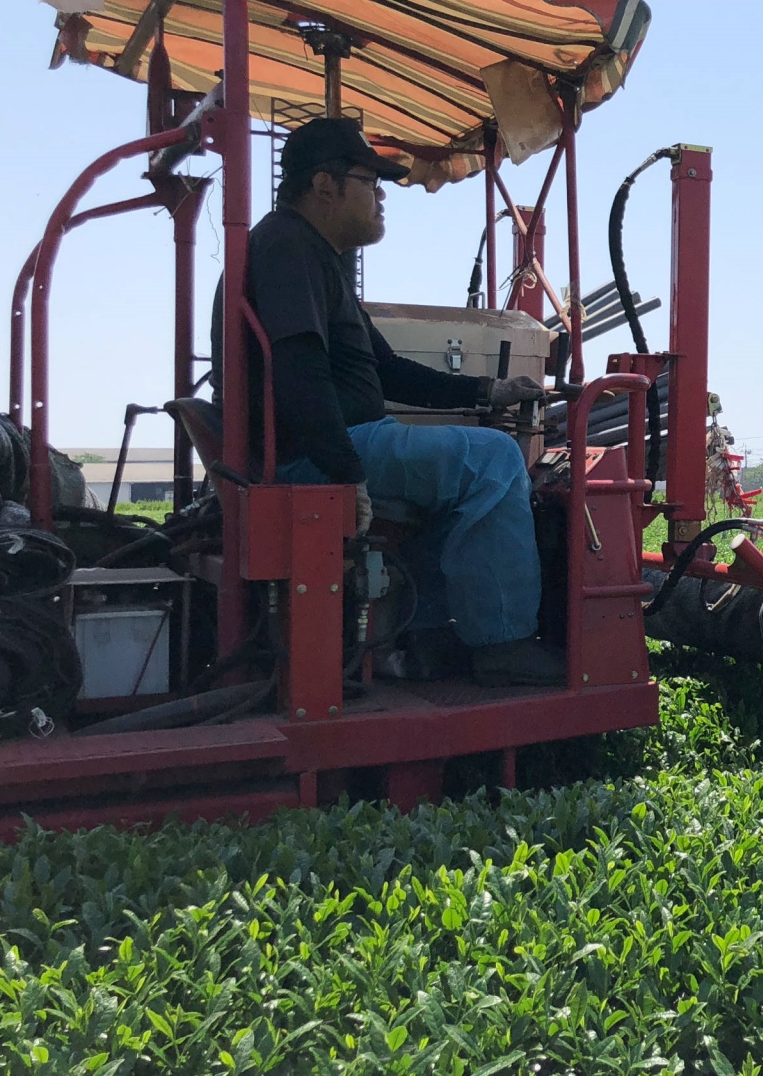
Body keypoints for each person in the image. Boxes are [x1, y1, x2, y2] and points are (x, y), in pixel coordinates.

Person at [214, 117, 558, 685]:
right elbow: (298, 371)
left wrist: (483, 390)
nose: (381, 197)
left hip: (337, 442)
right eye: (370, 182)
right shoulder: (288, 248)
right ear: (324, 185)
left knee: (461, 485)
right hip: (323, 451)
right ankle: (504, 643)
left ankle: (418, 640)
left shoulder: (310, 256)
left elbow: (387, 370)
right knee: (494, 462)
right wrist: (346, 473)